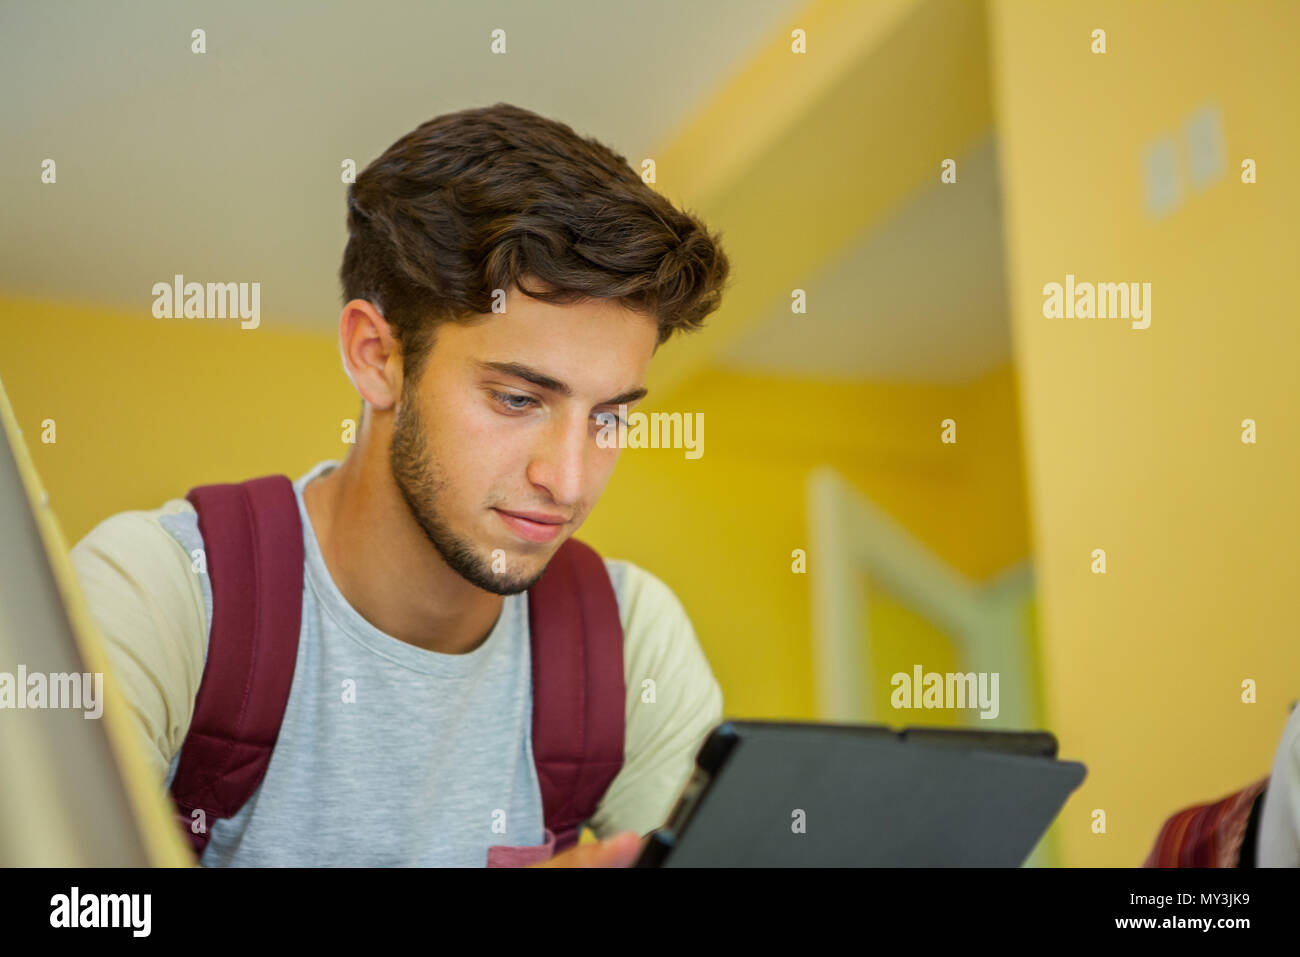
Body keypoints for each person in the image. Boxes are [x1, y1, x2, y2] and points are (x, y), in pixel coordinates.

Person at [69, 102, 731, 867]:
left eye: (608, 417)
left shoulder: (626, 638)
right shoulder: (160, 591)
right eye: (518, 400)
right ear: (377, 355)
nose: (568, 480)